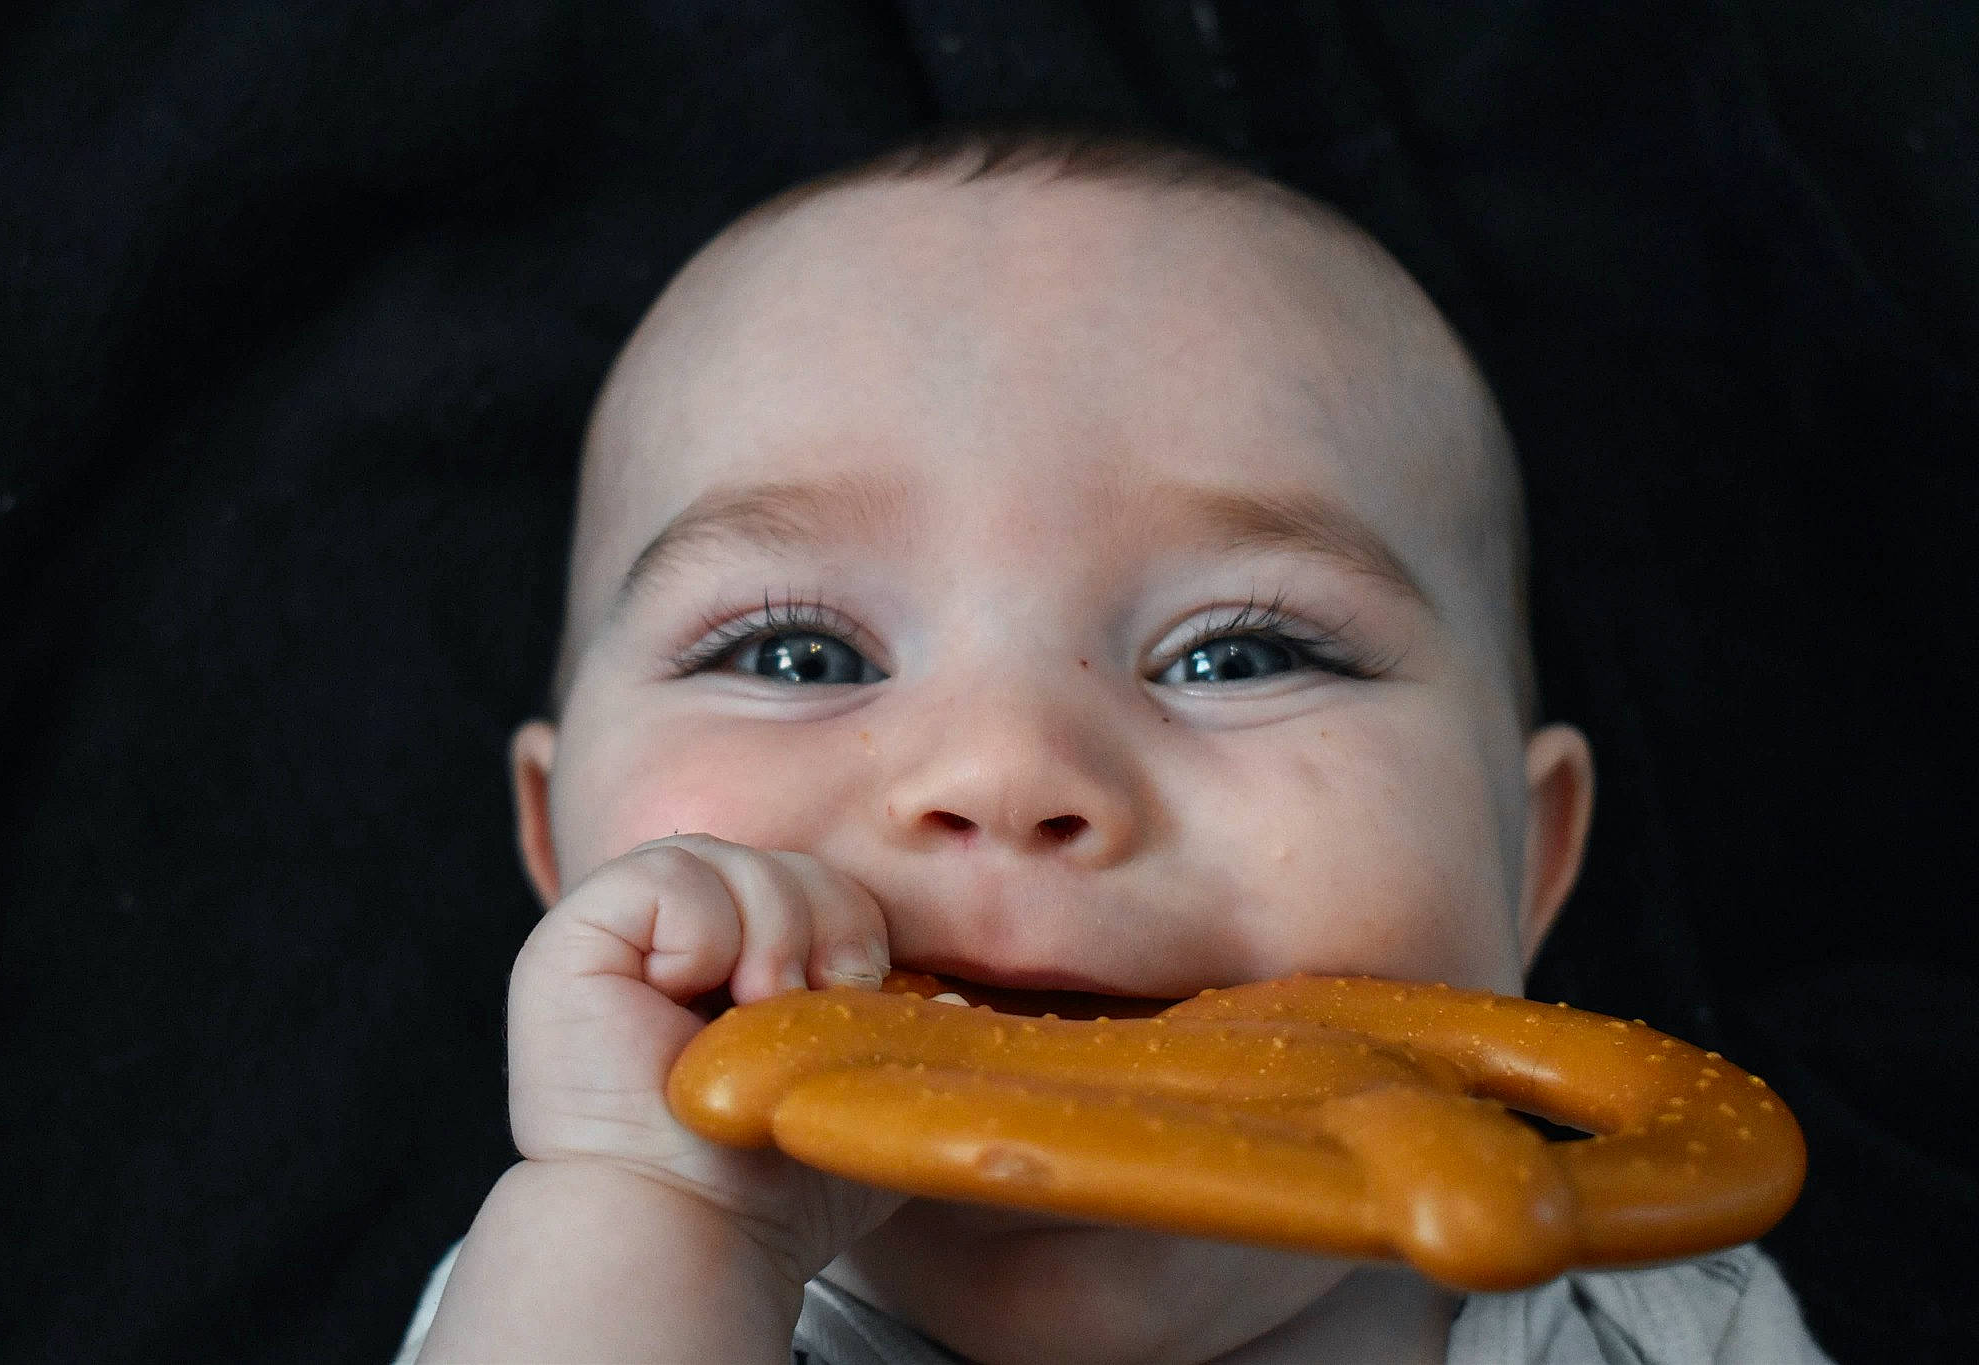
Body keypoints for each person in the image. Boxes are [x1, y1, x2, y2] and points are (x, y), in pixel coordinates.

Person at [398, 125, 1829, 1364]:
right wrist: (671, 1225)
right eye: (796, 655)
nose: (1010, 772)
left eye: (1241, 653)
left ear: (1533, 859)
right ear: (555, 841)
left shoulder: (1667, 1322)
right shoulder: (595, 1283)